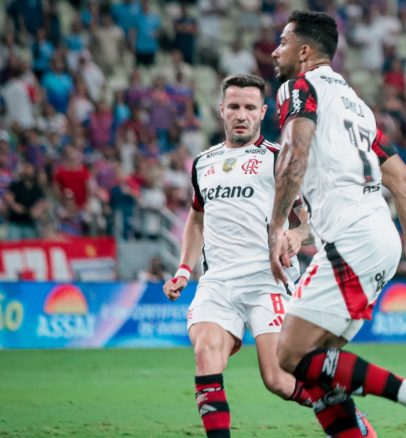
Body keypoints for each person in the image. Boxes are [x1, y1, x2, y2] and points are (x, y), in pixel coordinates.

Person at [267, 11, 406, 437]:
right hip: (377, 236)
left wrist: (277, 225)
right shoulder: (357, 106)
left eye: (283, 42)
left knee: (290, 355)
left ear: (305, 51)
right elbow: (401, 177)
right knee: (320, 366)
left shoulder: (299, 87)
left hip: (353, 238)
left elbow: (295, 152)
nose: (276, 50)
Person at [162, 74, 309, 438]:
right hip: (218, 282)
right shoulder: (203, 163)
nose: (241, 115)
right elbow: (196, 219)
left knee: (276, 378)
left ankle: (339, 408)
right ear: (221, 111)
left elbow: (310, 218)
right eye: (233, 107)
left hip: (266, 280)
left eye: (248, 107)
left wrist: (296, 234)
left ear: (262, 112)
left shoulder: (278, 158)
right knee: (205, 353)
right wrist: (184, 268)